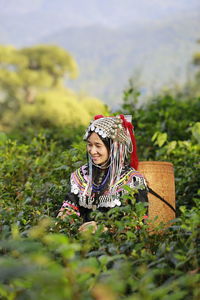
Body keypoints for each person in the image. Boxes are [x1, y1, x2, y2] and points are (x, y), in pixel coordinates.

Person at [57, 114, 148, 231]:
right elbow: (70, 207)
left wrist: (105, 229)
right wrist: (63, 217)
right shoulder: (81, 176)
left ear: (114, 147)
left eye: (98, 146)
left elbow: (139, 223)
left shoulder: (133, 180)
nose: (92, 151)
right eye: (89, 145)